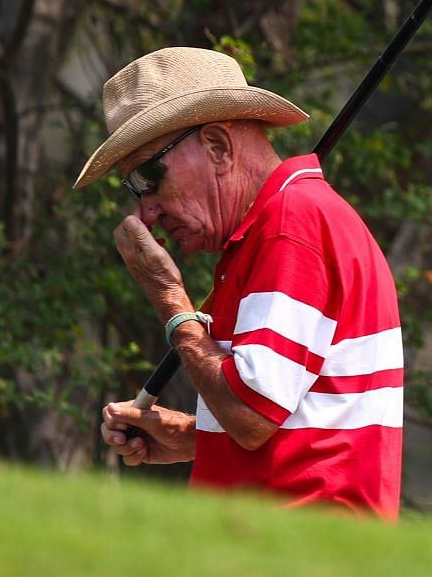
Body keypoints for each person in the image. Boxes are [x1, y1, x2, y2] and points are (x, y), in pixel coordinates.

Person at [73, 46, 403, 518]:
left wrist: (171, 302)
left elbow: (251, 416)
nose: (145, 209)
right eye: (133, 188)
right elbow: (289, 413)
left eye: (150, 176)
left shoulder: (291, 224)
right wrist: (194, 437)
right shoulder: (278, 226)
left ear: (218, 147)